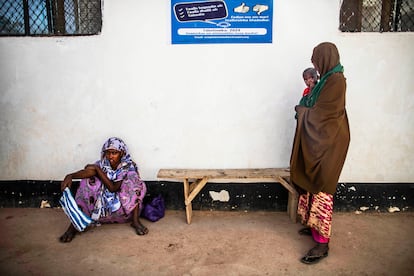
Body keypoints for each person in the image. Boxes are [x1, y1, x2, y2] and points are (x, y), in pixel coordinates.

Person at [290, 42, 350, 264]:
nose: (314, 64)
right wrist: (305, 107)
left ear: (325, 58)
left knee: (323, 188)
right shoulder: (325, 80)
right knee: (311, 184)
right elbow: (314, 104)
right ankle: (314, 227)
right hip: (320, 142)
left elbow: (324, 114)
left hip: (330, 143)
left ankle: (322, 244)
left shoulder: (336, 82)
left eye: (316, 59)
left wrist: (302, 111)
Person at [59, 137, 148, 243]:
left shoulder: (127, 165)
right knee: (86, 182)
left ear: (122, 153)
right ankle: (75, 225)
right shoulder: (102, 163)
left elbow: (113, 188)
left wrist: (97, 170)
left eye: (114, 153)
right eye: (108, 153)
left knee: (132, 181)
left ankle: (135, 221)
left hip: (123, 207)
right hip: (102, 206)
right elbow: (89, 172)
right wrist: (71, 176)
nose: (110, 156)